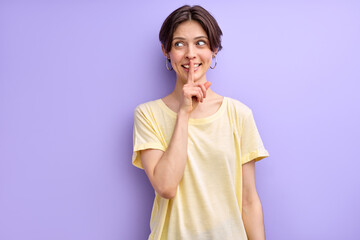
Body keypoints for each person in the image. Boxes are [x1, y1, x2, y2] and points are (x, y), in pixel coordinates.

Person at [132, 5, 269, 240]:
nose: (190, 54)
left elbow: (249, 200)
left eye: (200, 43)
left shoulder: (238, 114)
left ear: (214, 50)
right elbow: (165, 187)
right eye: (179, 44)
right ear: (166, 51)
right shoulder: (148, 115)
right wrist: (184, 113)